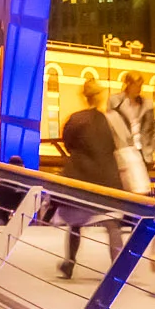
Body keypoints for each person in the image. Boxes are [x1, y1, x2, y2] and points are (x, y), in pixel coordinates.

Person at [54, 75, 126, 279]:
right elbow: (120, 144)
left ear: (85, 97)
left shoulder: (76, 119)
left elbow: (67, 142)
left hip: (80, 176)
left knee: (75, 223)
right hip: (107, 178)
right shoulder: (111, 120)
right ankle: (117, 268)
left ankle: (69, 263)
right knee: (112, 223)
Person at [107, 70, 155, 199]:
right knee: (124, 189)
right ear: (128, 84)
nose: (139, 89)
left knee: (140, 190)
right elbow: (110, 126)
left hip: (143, 152)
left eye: (141, 85)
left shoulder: (147, 104)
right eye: (137, 85)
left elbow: (153, 129)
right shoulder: (115, 101)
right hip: (123, 150)